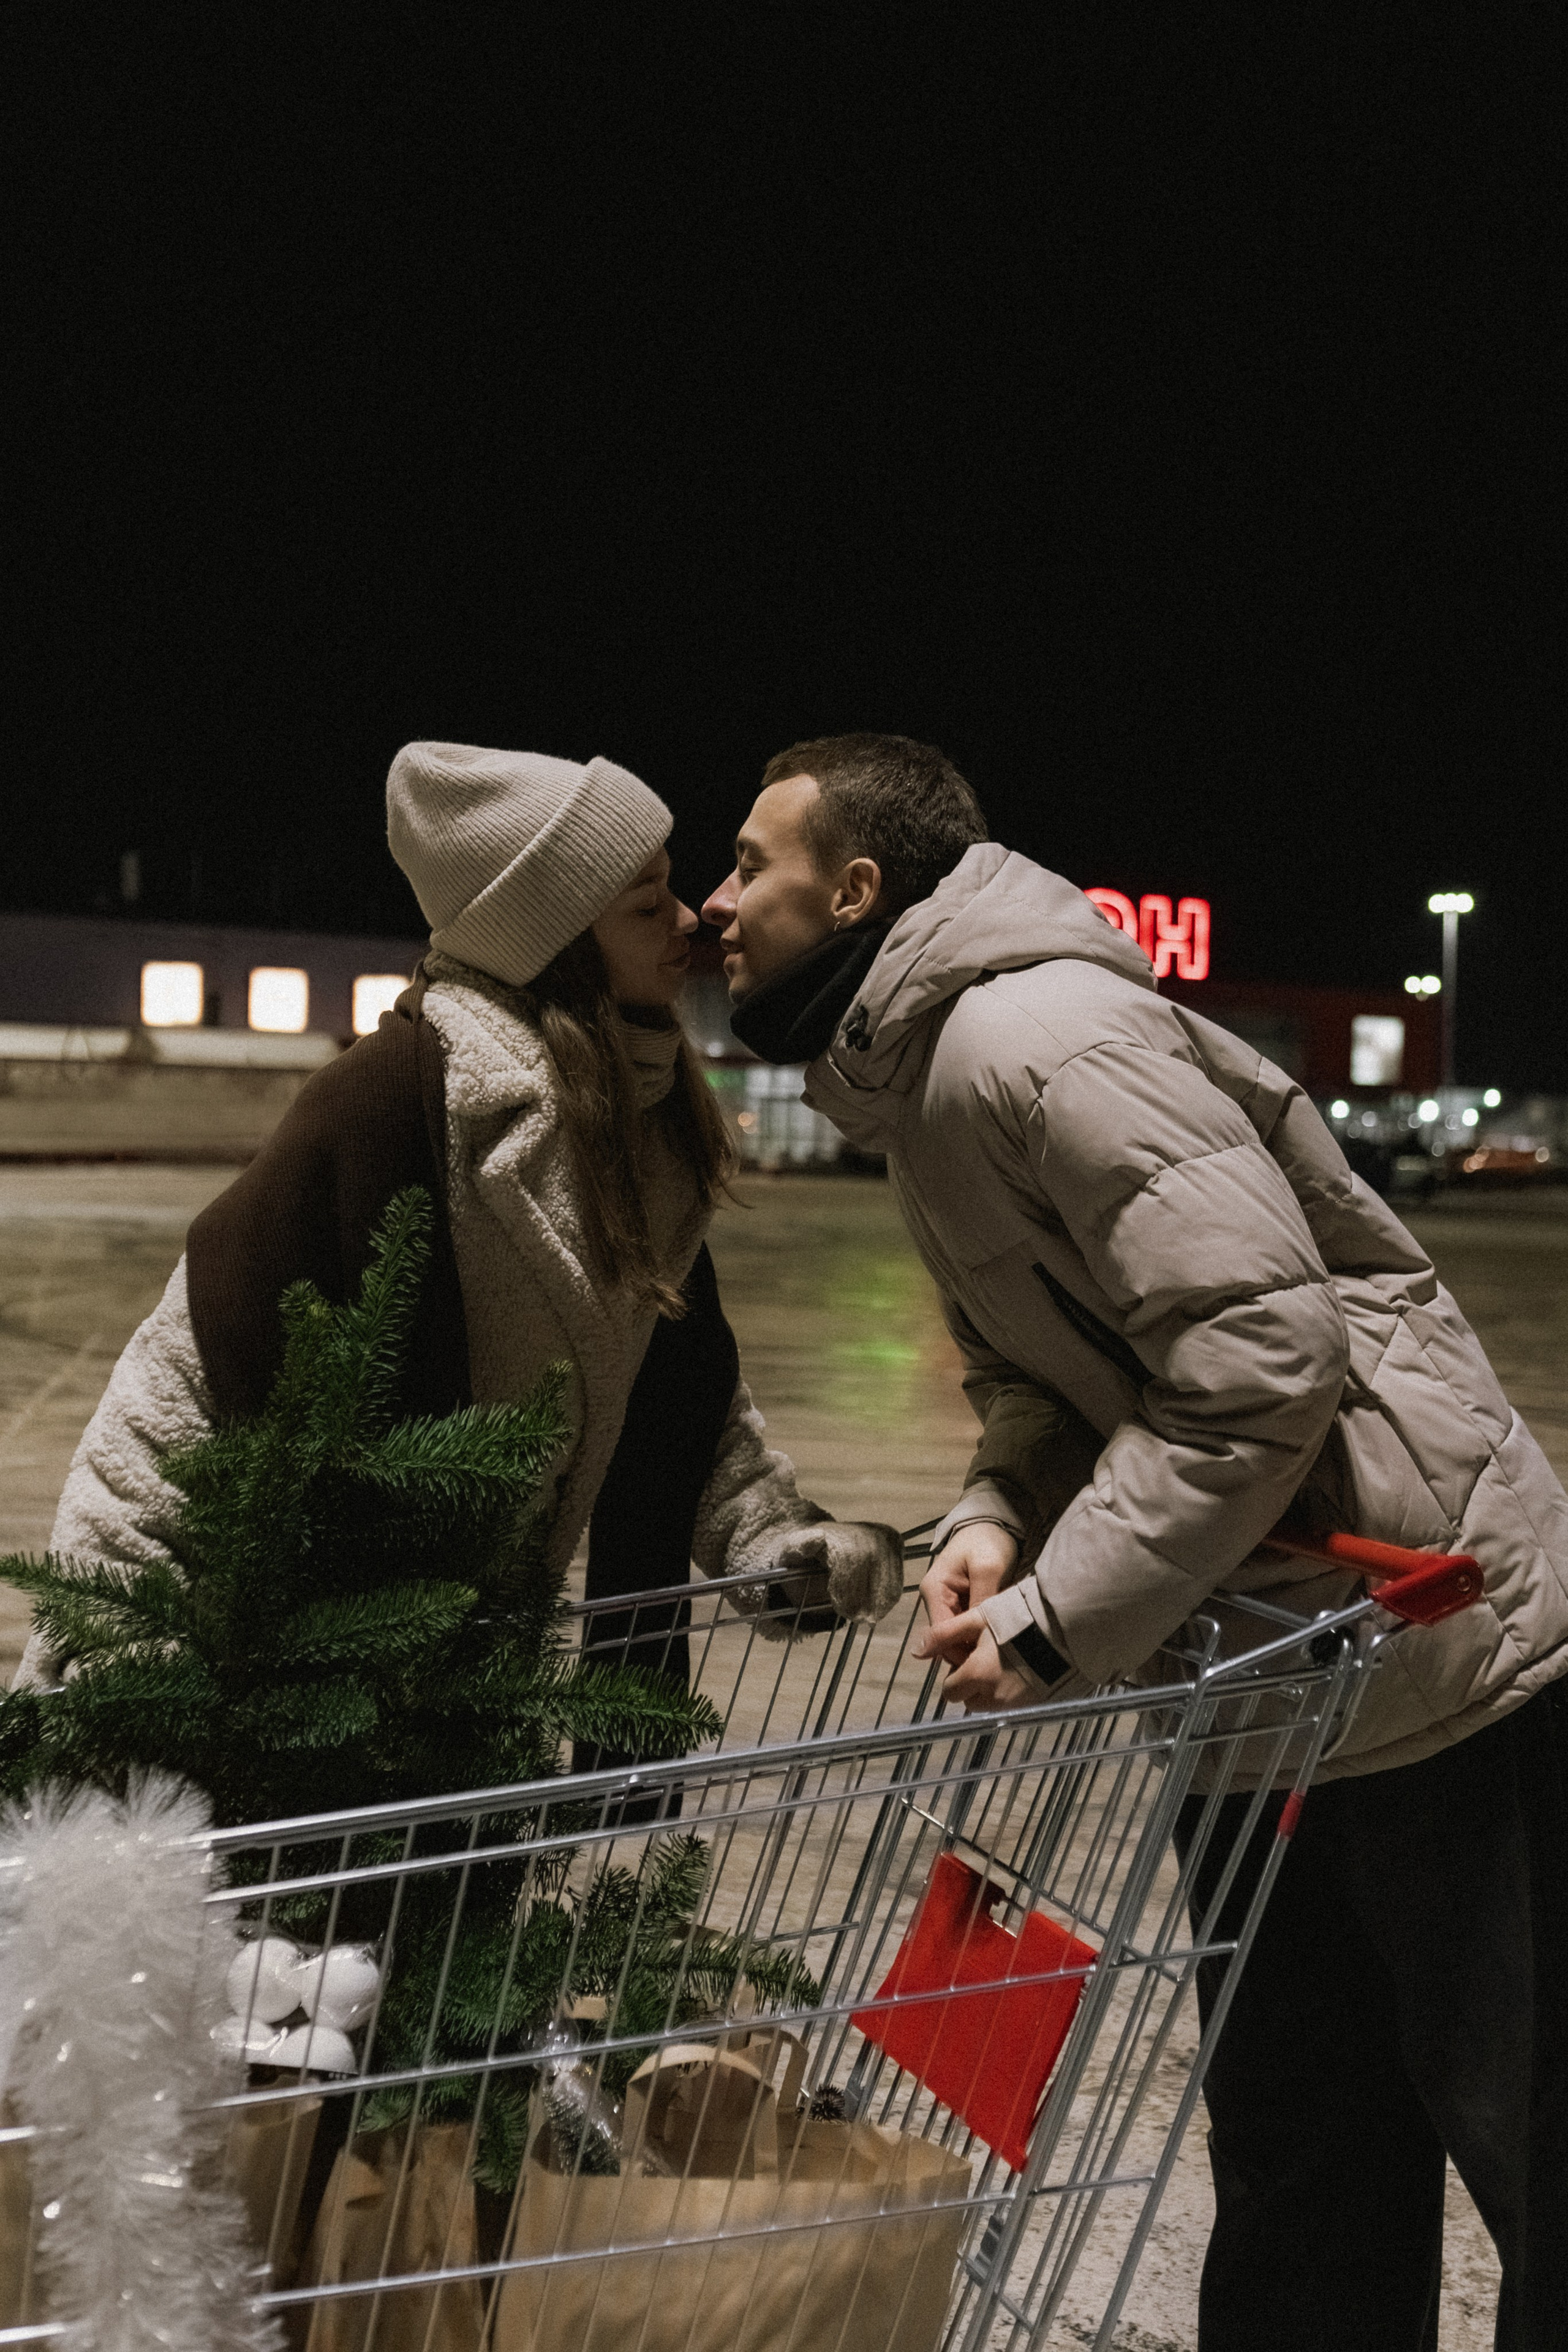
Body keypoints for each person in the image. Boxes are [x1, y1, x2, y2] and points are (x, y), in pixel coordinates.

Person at [703, 730, 1568, 2352]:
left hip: (1434, 1654)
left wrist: (1052, 1622)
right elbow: (1053, 1380)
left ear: (860, 891)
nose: (716, 898)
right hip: (1273, 1670)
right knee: (1306, 2169)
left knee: (1522, 2145)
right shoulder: (935, 1078)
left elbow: (1258, 1362)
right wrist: (989, 1524)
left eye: (752, 863)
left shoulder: (1035, 1043)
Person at [14, 742, 903, 1722]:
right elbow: (183, 1394)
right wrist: (114, 1670)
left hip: (454, 1692)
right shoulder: (398, 1100)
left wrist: (778, 1544)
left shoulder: (642, 1137)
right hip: (277, 1677)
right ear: (562, 946)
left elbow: (677, 1396)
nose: (690, 919)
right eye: (648, 904)